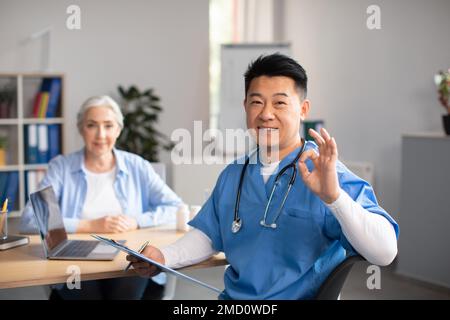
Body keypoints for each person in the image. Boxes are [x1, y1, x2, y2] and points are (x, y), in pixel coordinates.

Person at [127, 53, 399, 300]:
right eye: (256, 102)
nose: (266, 114)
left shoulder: (328, 173)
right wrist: (163, 256)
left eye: (280, 103)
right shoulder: (235, 173)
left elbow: (385, 253)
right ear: (245, 106)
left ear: (303, 110)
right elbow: (209, 236)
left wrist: (334, 198)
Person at [20, 95, 182, 299]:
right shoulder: (60, 167)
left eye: (108, 125)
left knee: (129, 279)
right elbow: (29, 220)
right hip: (75, 260)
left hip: (127, 256)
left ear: (118, 130)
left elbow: (176, 207)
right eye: (92, 125)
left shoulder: (137, 166)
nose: (101, 134)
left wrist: (136, 221)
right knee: (82, 286)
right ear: (81, 129)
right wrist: (90, 225)